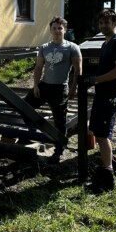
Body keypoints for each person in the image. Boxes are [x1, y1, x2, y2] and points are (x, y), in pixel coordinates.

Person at [23, 16, 82, 160]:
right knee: (24, 106)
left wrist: (74, 88)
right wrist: (36, 85)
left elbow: (78, 70)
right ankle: (32, 133)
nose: (57, 31)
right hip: (44, 86)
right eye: (54, 28)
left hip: (60, 89)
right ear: (50, 30)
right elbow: (38, 68)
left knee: (60, 120)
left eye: (60, 28)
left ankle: (59, 149)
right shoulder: (44, 47)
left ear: (65, 30)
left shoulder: (72, 47)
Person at [87, 9, 116, 193]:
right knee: (99, 131)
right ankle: (111, 162)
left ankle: (107, 177)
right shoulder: (106, 43)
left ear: (115, 22)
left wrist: (96, 79)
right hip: (103, 93)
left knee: (103, 135)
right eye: (101, 23)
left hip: (112, 94)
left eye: (108, 22)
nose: (104, 25)